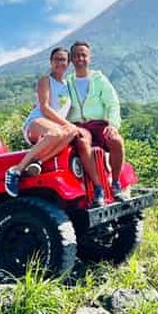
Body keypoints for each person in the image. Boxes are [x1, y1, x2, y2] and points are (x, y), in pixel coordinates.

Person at [5, 48, 80, 197]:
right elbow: (44, 108)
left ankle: (38, 162)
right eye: (57, 59)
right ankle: (16, 171)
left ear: (68, 63)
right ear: (51, 62)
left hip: (54, 127)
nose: (60, 63)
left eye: (63, 59)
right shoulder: (45, 80)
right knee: (60, 131)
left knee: (72, 131)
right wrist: (66, 124)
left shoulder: (68, 86)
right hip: (37, 122)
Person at [66, 40, 126, 206]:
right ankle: (98, 187)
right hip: (78, 126)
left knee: (117, 141)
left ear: (89, 58)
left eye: (83, 55)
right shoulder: (67, 83)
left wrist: (113, 125)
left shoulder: (99, 79)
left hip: (99, 124)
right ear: (71, 59)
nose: (80, 58)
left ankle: (115, 184)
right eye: (76, 55)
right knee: (82, 142)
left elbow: (113, 103)